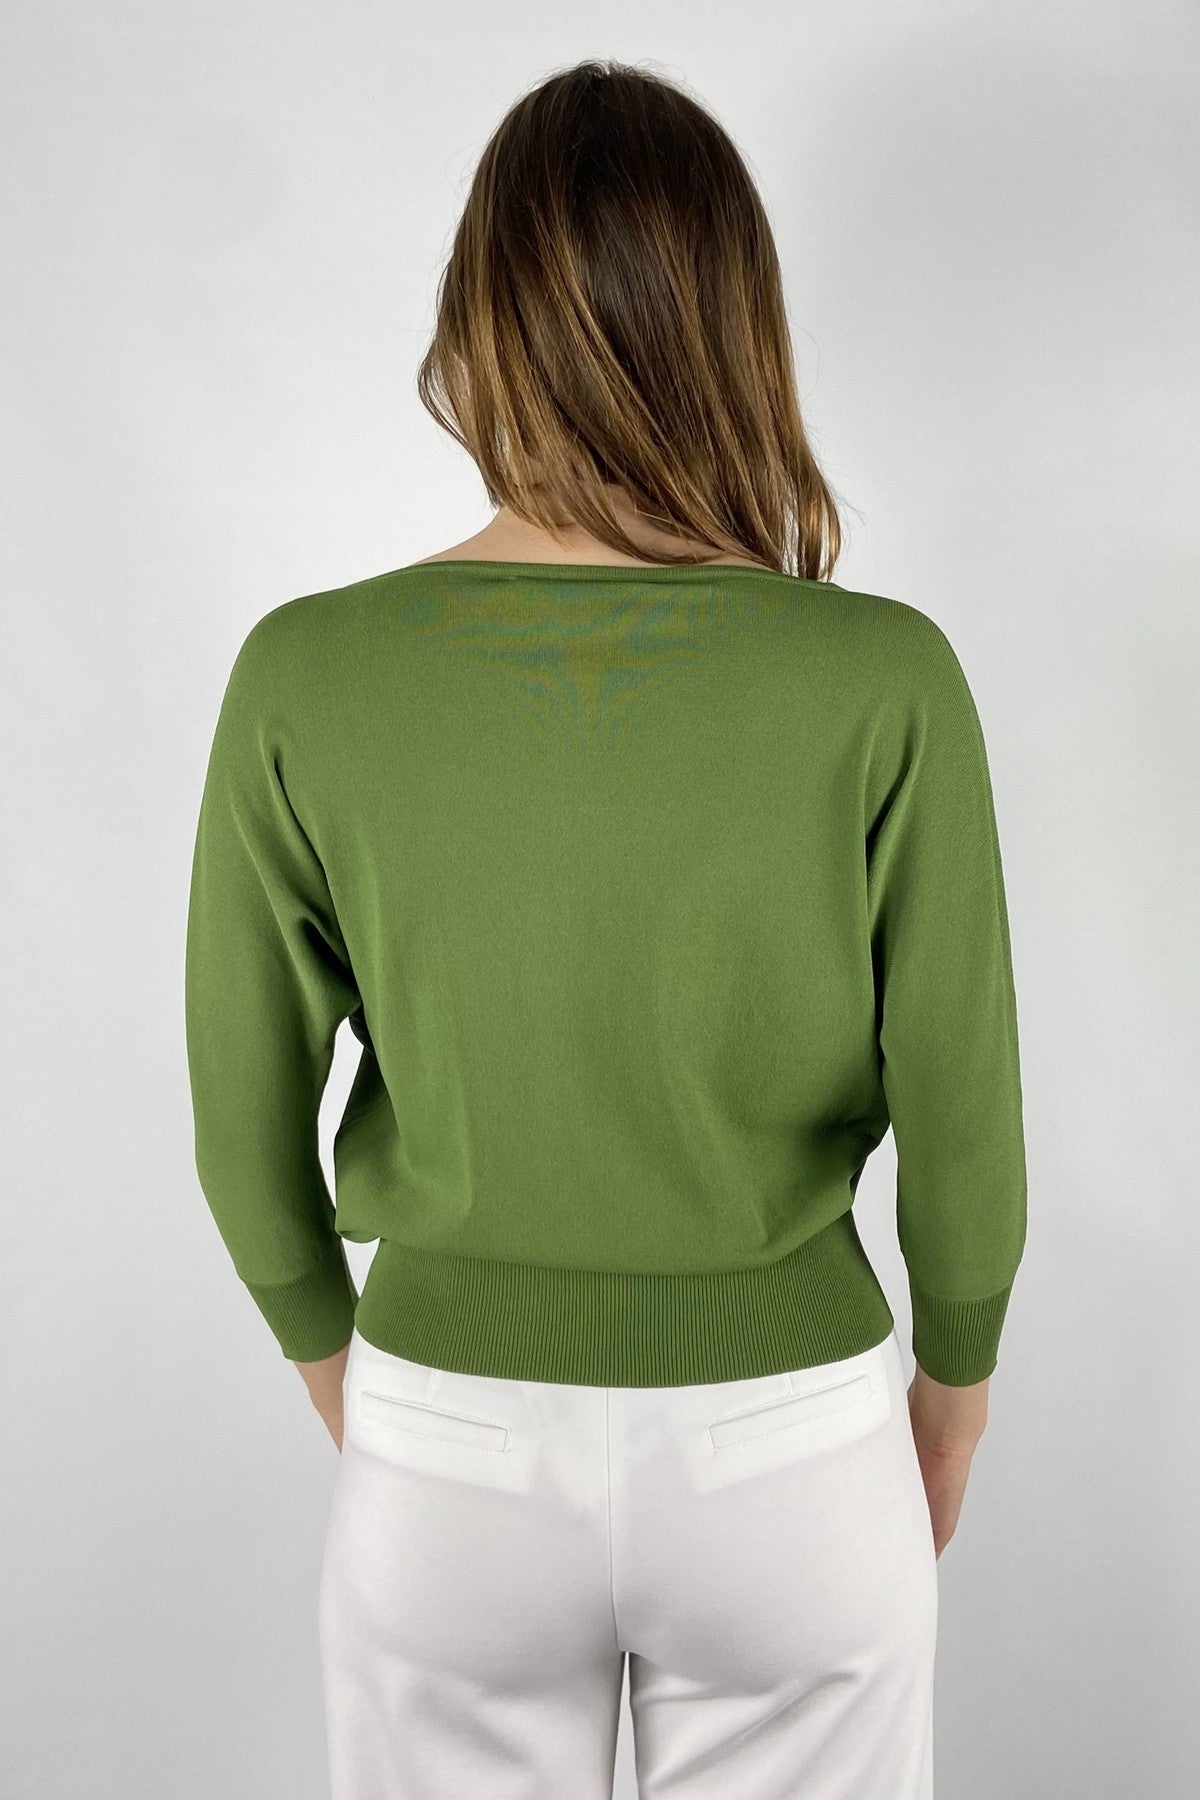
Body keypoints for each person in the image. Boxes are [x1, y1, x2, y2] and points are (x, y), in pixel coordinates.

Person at [184, 56, 1026, 1800]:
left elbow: (237, 1124)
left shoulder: (305, 676)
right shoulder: (885, 680)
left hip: (445, 1446)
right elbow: (965, 1111)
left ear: (479, 324)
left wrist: (367, 1391)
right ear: (736, 328)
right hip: (793, 1448)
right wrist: (949, 1399)